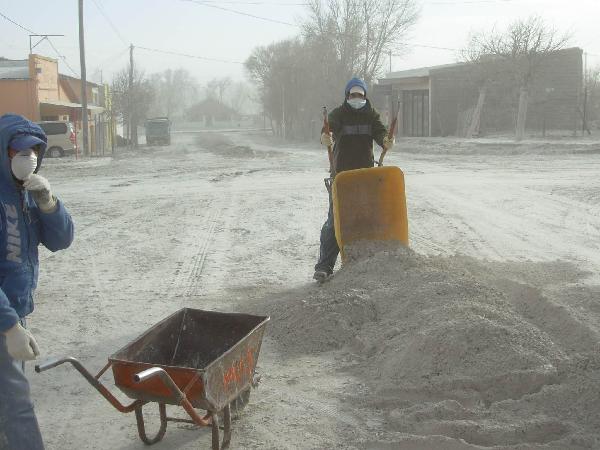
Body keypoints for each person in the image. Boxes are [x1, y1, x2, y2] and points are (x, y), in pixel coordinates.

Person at [0, 114, 74, 450]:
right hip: (5, 319)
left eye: (34, 151)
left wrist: (48, 203)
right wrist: (10, 325)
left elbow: (61, 240)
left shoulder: (27, 192)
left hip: (14, 314)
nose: (27, 157)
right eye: (19, 151)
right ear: (4, 152)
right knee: (16, 404)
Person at [313, 78, 394, 282]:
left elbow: (380, 132)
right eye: (352, 95)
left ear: (365, 96)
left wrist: (386, 140)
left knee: (367, 220)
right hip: (341, 176)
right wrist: (326, 135)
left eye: (360, 95)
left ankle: (367, 263)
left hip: (365, 177)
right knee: (334, 222)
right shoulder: (339, 113)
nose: (356, 99)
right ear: (347, 96)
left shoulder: (371, 115)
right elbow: (328, 128)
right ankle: (324, 267)